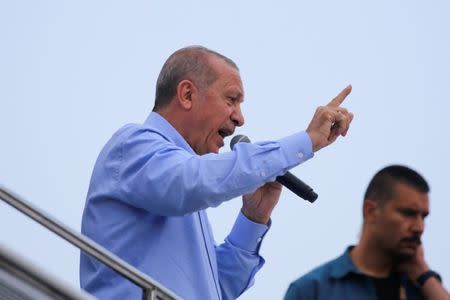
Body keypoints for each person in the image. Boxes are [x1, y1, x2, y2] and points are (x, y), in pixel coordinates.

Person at [80, 45, 353, 300]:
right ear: (187, 95)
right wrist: (306, 141)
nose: (240, 117)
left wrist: (253, 218)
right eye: (231, 100)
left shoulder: (179, 180)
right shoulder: (133, 146)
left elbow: (214, 288)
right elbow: (195, 181)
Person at [284, 165, 450, 300]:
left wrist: (424, 275)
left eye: (424, 216)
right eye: (408, 213)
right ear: (370, 211)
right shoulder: (313, 290)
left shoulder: (423, 288)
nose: (419, 227)